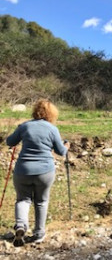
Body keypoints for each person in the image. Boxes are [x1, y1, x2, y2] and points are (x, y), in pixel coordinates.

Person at [6, 99, 70, 247]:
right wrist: (66, 145)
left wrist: (18, 130)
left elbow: (10, 142)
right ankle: (39, 234)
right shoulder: (52, 129)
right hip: (45, 171)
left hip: (23, 170)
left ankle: (21, 225)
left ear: (35, 111)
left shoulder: (25, 126)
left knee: (23, 199)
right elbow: (61, 151)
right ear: (52, 114)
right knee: (41, 201)